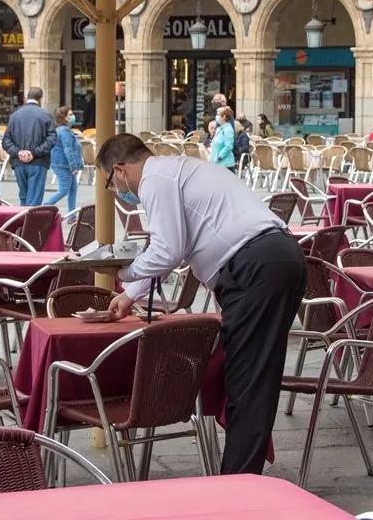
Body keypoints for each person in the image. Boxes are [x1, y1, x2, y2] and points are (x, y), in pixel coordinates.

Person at [94, 134, 307, 475]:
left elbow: (168, 250)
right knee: (253, 375)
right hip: (277, 257)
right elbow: (178, 244)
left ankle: (238, 483)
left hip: (254, 264)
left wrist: (121, 271)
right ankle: (241, 477)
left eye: (111, 183)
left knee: (248, 381)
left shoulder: (154, 179)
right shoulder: (180, 170)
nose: (118, 191)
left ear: (120, 170)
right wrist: (129, 293)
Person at [2, 87, 56, 206]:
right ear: (41, 99)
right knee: (34, 199)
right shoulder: (46, 115)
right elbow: (51, 139)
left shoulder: (15, 115)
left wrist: (18, 152)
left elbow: (6, 140)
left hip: (19, 162)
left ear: (26, 97)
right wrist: (34, 153)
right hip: (38, 161)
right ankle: (30, 223)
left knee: (24, 197)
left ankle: (23, 222)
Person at [44, 106, 83, 218]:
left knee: (73, 188)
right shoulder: (64, 131)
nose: (73, 116)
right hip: (63, 165)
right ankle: (45, 206)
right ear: (64, 118)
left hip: (62, 164)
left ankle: (72, 216)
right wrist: (74, 166)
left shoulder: (62, 130)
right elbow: (68, 149)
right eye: (70, 115)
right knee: (64, 190)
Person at [210, 106, 237, 172]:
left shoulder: (228, 129)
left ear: (224, 116)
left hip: (226, 164)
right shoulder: (219, 128)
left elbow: (228, 146)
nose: (216, 116)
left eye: (218, 114)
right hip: (217, 164)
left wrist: (219, 156)